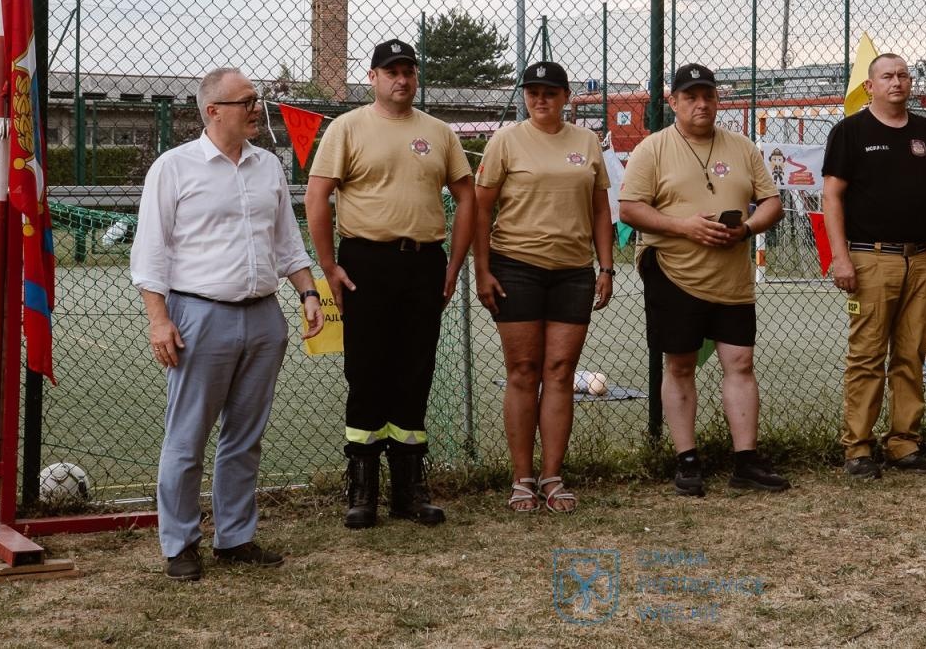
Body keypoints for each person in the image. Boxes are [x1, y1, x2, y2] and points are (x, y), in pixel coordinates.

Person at [131, 68, 325, 581]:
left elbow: (287, 243)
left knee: (245, 436)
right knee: (187, 437)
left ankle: (235, 537)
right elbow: (150, 254)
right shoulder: (173, 169)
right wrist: (159, 320)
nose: (257, 108)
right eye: (246, 101)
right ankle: (180, 545)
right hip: (199, 316)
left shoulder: (268, 168)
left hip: (264, 317)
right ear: (213, 110)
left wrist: (307, 292)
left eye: (256, 100)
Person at [304, 38, 476, 528]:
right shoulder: (347, 128)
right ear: (373, 77)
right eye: (391, 71)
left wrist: (454, 265)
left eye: (409, 71)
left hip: (424, 264)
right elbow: (318, 197)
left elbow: (467, 198)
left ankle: (409, 491)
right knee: (367, 373)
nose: (401, 80)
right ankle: (362, 491)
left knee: (414, 373)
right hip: (365, 263)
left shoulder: (439, 133)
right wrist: (330, 265)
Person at [618, 63, 788, 495]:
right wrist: (684, 227)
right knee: (680, 365)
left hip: (731, 276)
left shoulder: (743, 148)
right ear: (672, 102)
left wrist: (746, 229)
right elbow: (630, 209)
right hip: (673, 273)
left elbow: (770, 202)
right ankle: (687, 458)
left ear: (717, 100)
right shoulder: (652, 149)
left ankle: (745, 460)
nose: (701, 104)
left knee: (741, 363)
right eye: (690, 96)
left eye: (707, 95)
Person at [473, 61, 615, 513]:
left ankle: (552, 477)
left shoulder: (586, 141)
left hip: (573, 272)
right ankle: (521, 479)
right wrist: (482, 269)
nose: (540, 99)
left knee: (559, 372)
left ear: (566, 96)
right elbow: (480, 209)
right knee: (522, 371)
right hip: (515, 267)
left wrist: (606, 267)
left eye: (550, 92)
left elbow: (599, 209)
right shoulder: (505, 141)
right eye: (533, 91)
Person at [822, 53, 926, 479]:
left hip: (922, 257)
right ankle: (858, 449)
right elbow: (831, 197)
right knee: (867, 356)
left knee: (911, 354)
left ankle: (904, 443)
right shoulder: (849, 131)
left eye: (903, 75)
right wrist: (840, 257)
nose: (897, 82)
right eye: (887, 76)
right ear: (870, 86)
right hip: (870, 258)